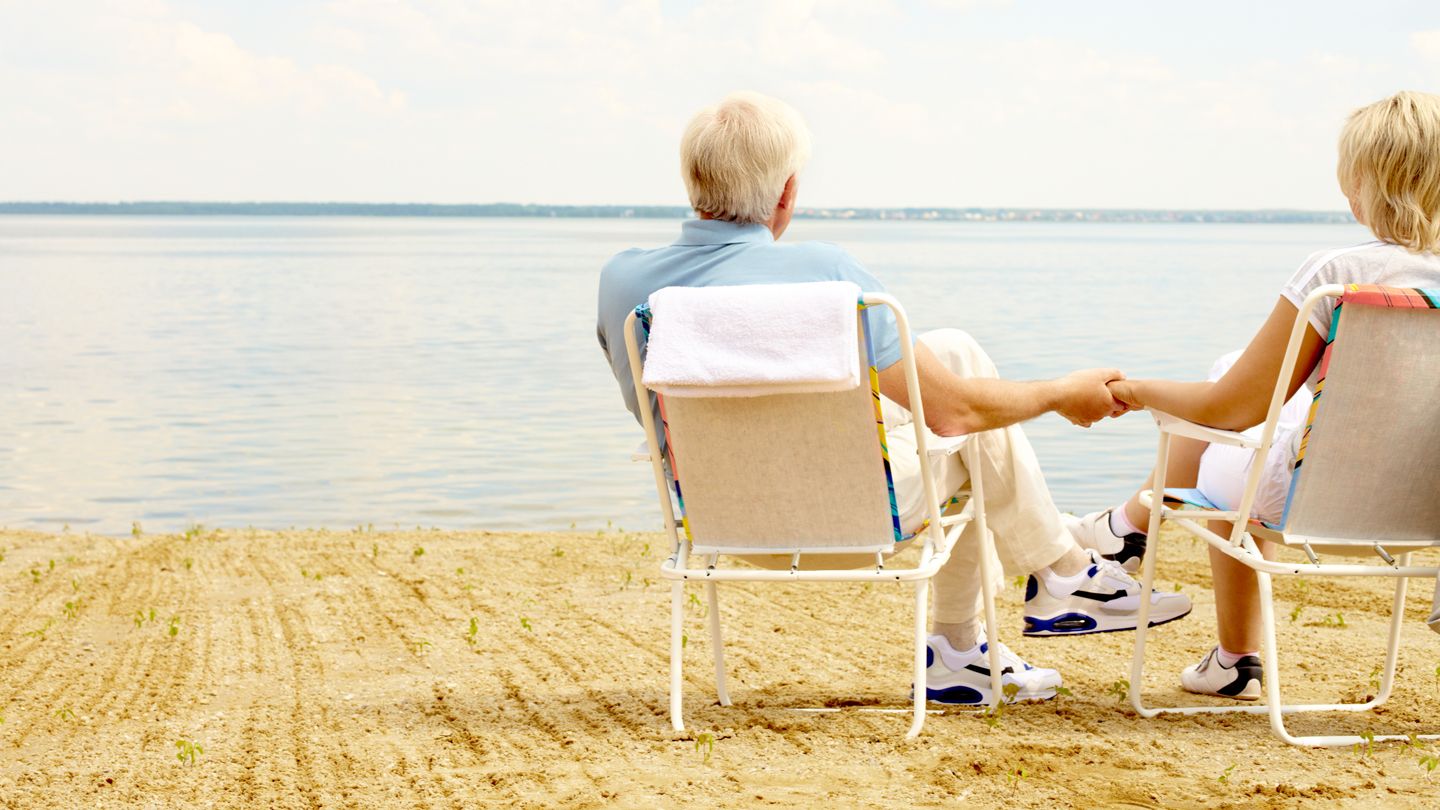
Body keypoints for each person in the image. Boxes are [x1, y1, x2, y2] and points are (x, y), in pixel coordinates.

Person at [596, 91, 1191, 705]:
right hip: (850, 522)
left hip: (717, 520)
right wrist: (1062, 393)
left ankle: (975, 641)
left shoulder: (625, 283)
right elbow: (956, 413)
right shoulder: (826, 276)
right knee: (968, 439)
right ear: (786, 193)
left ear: (692, 181)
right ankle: (1060, 574)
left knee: (954, 351)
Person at [1066, 90, 1440, 699]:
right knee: (1231, 372)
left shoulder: (1336, 274)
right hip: (1425, 506)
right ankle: (1133, 540)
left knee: (1212, 417)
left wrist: (1131, 390)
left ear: (1366, 184)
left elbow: (1230, 410)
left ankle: (1133, 535)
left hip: (1310, 499)